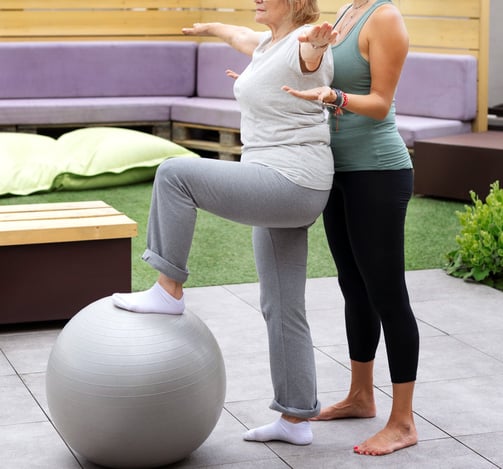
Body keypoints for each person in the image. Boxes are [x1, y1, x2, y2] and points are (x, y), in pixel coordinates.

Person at [112, 0, 338, 446]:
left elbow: (310, 58)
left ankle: (168, 289)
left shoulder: (302, 42)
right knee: (282, 302)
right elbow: (242, 38)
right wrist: (213, 26)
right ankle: (295, 420)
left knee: (175, 174)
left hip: (287, 180)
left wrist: (314, 47)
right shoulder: (268, 43)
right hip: (292, 184)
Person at [283, 0, 420, 457]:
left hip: (378, 173)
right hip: (337, 171)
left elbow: (379, 104)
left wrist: (333, 98)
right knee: (353, 287)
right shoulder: (344, 13)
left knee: (387, 293)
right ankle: (361, 396)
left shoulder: (384, 17)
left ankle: (403, 422)